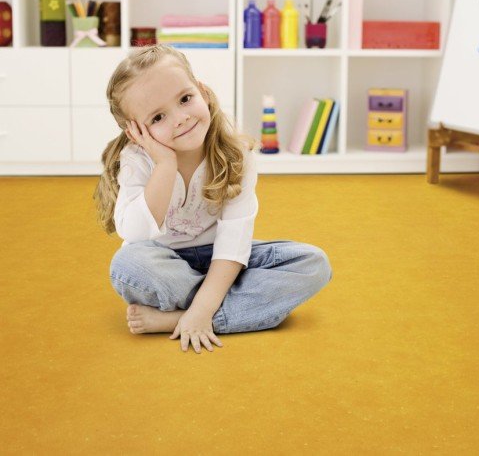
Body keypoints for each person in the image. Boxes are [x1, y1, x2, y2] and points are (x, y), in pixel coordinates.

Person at [93, 45, 332, 354]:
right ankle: (234, 308)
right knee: (128, 265)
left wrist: (201, 310)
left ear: (202, 91)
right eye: (158, 117)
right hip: (167, 262)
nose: (180, 118)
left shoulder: (235, 155)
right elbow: (136, 235)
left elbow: (234, 243)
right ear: (135, 131)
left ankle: (181, 317)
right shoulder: (137, 161)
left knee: (313, 264)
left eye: (185, 99)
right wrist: (165, 166)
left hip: (224, 260)